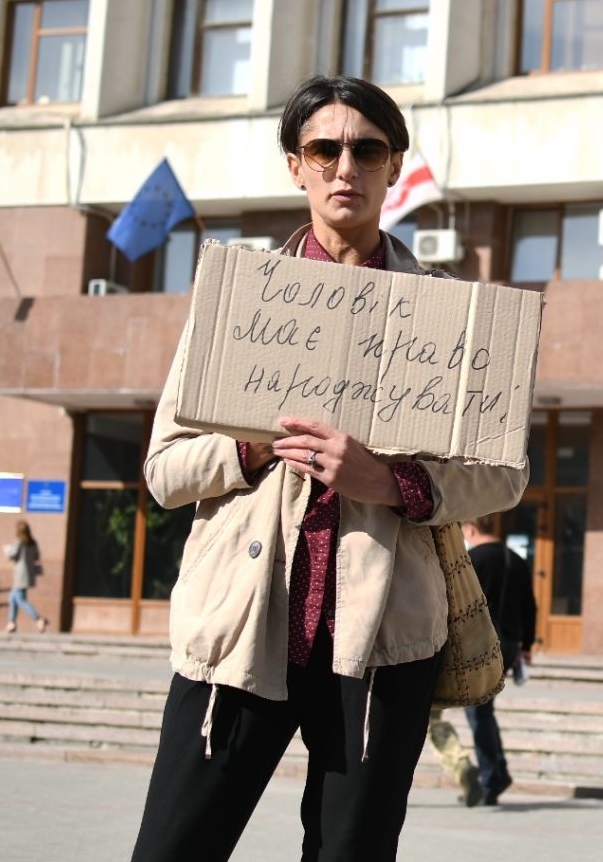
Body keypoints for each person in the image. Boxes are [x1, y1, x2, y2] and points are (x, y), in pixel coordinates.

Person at [130, 75, 528, 862]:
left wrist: (393, 482)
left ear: (393, 165)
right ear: (296, 165)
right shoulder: (238, 303)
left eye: (367, 149)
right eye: (325, 148)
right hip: (243, 628)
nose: (346, 165)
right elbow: (164, 472)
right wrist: (250, 446)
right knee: (172, 849)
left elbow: (504, 476)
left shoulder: (449, 310)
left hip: (381, 645)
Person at [460, 514, 537, 806]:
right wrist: (527, 645)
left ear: (470, 527)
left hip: (479, 644)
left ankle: (492, 777)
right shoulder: (514, 559)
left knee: (478, 713)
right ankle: (496, 772)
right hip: (509, 644)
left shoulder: (471, 560)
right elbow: (530, 605)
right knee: (483, 710)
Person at [3, 520, 49, 634]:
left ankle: (38, 619)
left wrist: (7, 550)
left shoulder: (19, 542)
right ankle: (11, 623)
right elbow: (37, 556)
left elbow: (12, 555)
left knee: (20, 600)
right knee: (12, 598)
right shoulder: (32, 543)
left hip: (20, 575)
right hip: (28, 574)